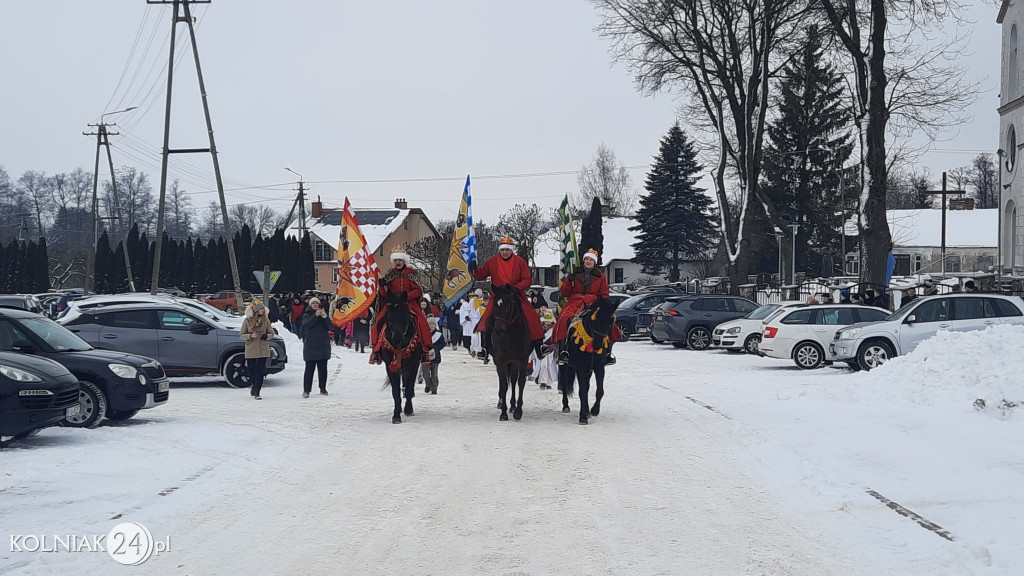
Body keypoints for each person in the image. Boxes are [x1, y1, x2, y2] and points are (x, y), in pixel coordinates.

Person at [470, 237, 547, 360]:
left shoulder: (520, 262)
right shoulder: (491, 262)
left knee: (531, 315)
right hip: (498, 296)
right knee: (486, 317)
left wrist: (517, 288)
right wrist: (473, 269)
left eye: (507, 250)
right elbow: (480, 275)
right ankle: (484, 348)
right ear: (499, 250)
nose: (505, 252)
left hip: (515, 295)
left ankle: (539, 345)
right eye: (502, 250)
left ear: (511, 250)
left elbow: (527, 279)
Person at [551, 248, 620, 366]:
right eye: (587, 259)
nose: (588, 261)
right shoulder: (574, 272)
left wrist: (597, 301)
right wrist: (569, 281)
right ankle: (563, 350)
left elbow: (604, 294)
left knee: (609, 323)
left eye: (591, 260)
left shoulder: (601, 276)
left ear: (594, 262)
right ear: (583, 260)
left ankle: (608, 352)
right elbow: (565, 292)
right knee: (564, 320)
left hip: (594, 303)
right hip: (575, 302)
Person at [370, 249, 433, 365]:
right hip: (393, 303)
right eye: (396, 260)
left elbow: (418, 290)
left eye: (400, 260)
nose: (398, 262)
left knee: (421, 322)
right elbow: (384, 294)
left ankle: (425, 350)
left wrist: (407, 296)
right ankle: (376, 350)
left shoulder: (411, 273)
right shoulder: (390, 274)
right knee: (378, 321)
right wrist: (382, 286)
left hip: (408, 303)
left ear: (404, 261)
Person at [239, 299, 275, 400]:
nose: (262, 310)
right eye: (260, 309)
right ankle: (254, 385)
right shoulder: (247, 320)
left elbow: (271, 333)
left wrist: (266, 336)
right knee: (251, 371)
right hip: (251, 348)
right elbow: (241, 335)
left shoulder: (266, 320)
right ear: (256, 310)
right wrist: (250, 336)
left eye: (263, 309)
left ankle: (257, 392)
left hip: (263, 348)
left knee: (260, 372)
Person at [301, 297, 332, 398]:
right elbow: (307, 325)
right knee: (309, 370)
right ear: (310, 305)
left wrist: (325, 317)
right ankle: (307, 390)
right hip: (311, 346)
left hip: (323, 346)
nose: (315, 305)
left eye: (317, 303)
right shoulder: (306, 315)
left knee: (323, 369)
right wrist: (315, 316)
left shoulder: (323, 315)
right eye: (313, 303)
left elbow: (331, 327)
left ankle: (323, 388)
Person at [533, 311, 558, 389]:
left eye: (549, 321)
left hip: (550, 348)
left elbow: (555, 339)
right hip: (542, 348)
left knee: (549, 365)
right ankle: (543, 381)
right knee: (543, 365)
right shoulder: (540, 328)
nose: (547, 322)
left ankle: (549, 382)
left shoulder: (554, 329)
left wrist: (552, 346)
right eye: (546, 320)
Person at [423, 315, 446, 394]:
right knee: (425, 373)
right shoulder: (423, 333)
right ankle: (428, 384)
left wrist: (435, 348)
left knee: (434, 374)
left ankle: (434, 388)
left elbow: (443, 343)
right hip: (425, 356)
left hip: (436, 357)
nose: (431, 326)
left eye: (433, 324)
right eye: (430, 324)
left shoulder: (438, 334)